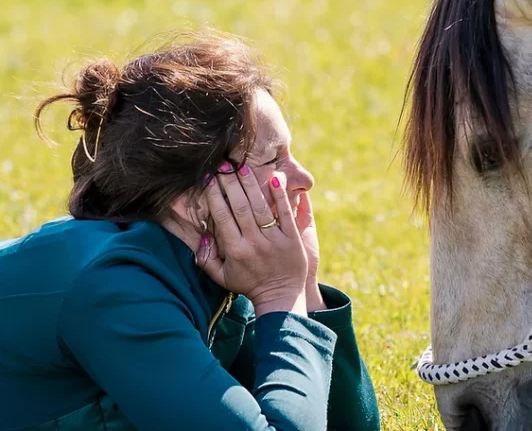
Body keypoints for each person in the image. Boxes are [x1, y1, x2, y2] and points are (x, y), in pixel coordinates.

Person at [0, 32, 380, 431]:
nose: (305, 178)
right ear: (192, 201)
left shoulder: (208, 269)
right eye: (274, 159)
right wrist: (279, 295)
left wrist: (304, 288)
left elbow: (350, 426)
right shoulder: (117, 287)